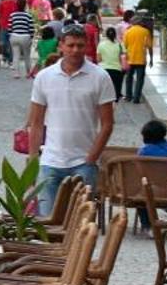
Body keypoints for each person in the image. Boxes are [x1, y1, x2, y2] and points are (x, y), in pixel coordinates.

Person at [26, 23, 117, 216]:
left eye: (80, 45)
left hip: (83, 162)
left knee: (80, 223)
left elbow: (107, 123)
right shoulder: (44, 77)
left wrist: (91, 158)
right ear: (61, 46)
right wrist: (33, 161)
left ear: (87, 46)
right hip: (50, 161)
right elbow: (36, 123)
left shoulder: (100, 77)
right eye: (71, 45)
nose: (75, 50)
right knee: (46, 220)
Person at [121, 10, 153, 105]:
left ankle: (128, 96)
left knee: (129, 78)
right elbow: (149, 46)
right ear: (140, 22)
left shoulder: (128, 32)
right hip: (141, 59)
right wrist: (151, 58)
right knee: (140, 79)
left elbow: (124, 46)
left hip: (130, 58)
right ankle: (136, 98)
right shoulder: (145, 31)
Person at [7, 0, 37, 76]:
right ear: (25, 6)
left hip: (14, 36)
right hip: (25, 36)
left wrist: (11, 35)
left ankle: (16, 73)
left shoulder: (12, 15)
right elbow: (31, 28)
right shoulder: (28, 15)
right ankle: (28, 73)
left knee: (15, 55)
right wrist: (31, 37)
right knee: (27, 55)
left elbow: (9, 28)